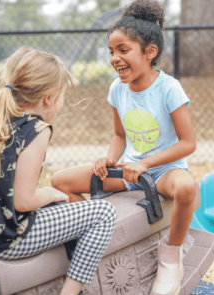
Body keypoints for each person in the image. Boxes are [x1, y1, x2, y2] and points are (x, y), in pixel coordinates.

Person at [51, 1, 197, 294]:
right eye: (111, 51)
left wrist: (146, 164)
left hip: (163, 171)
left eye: (123, 50)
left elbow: (188, 143)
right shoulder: (117, 89)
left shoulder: (169, 88)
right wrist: (108, 159)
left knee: (187, 189)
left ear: (149, 52)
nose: (114, 58)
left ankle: (171, 258)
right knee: (60, 182)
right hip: (128, 172)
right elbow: (119, 135)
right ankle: (94, 236)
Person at [0, 47, 117, 295]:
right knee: (103, 212)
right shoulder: (37, 128)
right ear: (49, 98)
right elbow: (24, 201)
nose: (61, 103)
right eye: (62, 96)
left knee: (58, 209)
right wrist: (49, 193)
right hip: (5, 241)